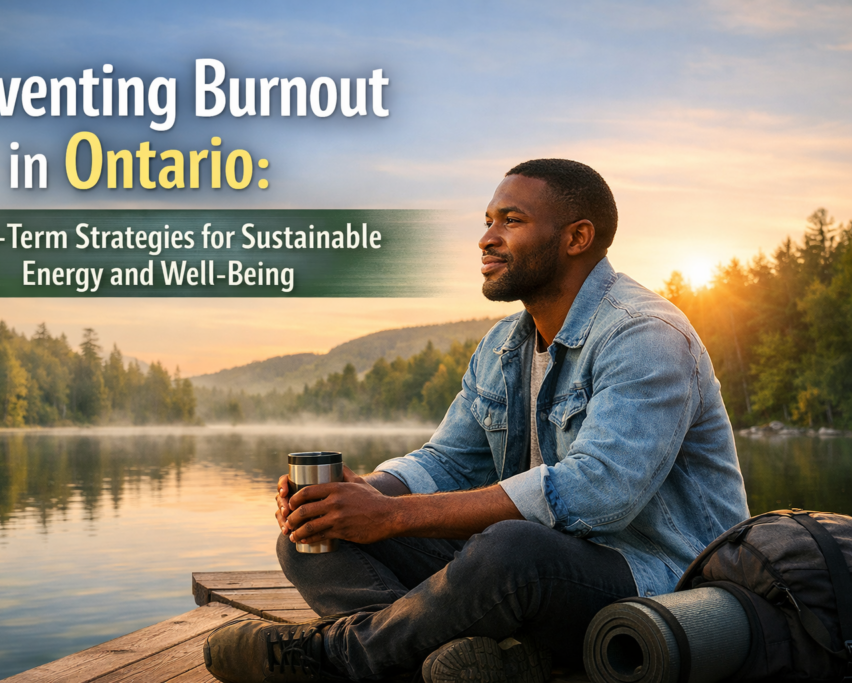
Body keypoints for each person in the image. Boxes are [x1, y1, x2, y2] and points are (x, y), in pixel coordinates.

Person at [203, 158, 750, 683]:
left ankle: (342, 652)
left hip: (660, 580)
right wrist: (365, 494)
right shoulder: (501, 346)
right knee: (311, 534)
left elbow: (598, 493)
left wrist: (391, 517)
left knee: (510, 549)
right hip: (542, 580)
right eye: (488, 221)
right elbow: (446, 460)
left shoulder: (644, 333)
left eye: (511, 221)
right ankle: (454, 659)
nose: (487, 238)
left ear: (576, 238)